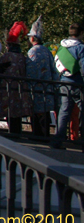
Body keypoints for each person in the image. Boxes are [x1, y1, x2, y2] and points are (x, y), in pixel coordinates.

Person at [50, 22, 84, 150]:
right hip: (77, 83)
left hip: (63, 81)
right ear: (80, 33)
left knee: (64, 111)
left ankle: (57, 140)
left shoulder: (61, 46)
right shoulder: (80, 48)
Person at [0, 22, 33, 134]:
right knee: (17, 109)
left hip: (6, 86)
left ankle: (12, 131)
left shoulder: (5, 56)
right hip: (18, 86)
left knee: (8, 109)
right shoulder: (21, 57)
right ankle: (17, 131)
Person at [25, 16, 55, 137]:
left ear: (32, 38)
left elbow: (30, 72)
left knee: (37, 113)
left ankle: (38, 136)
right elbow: (53, 69)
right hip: (47, 87)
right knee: (45, 112)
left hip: (36, 88)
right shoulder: (46, 51)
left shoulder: (32, 52)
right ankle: (45, 135)